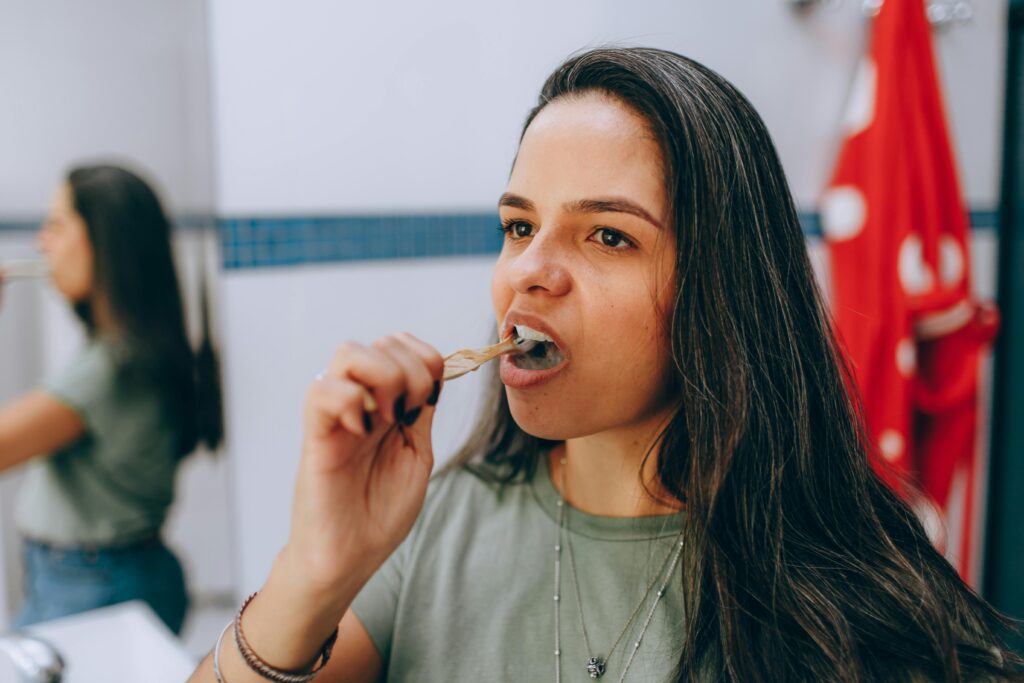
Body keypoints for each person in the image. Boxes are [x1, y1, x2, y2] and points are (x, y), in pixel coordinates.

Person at [190, 48, 1020, 682]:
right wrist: (311, 570)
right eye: (520, 226)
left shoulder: (851, 591)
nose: (527, 270)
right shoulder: (433, 526)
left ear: (719, 288)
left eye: (609, 235)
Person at [0, 164, 222, 635]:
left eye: (56, 226)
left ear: (104, 242)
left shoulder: (109, 370)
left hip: (88, 587)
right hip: (110, 578)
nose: (41, 242)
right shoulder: (139, 349)